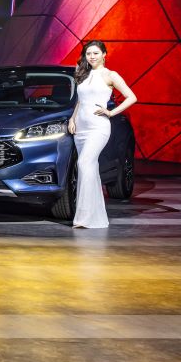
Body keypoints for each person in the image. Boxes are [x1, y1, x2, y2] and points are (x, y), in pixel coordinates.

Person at [68, 40, 137, 229]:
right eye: (88, 53)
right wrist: (72, 119)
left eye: (96, 53)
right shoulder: (83, 73)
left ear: (104, 54)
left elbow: (132, 97)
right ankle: (93, 217)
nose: (92, 56)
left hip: (98, 127)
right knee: (88, 168)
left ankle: (85, 217)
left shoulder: (110, 75)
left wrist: (111, 113)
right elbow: (81, 101)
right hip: (80, 128)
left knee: (84, 163)